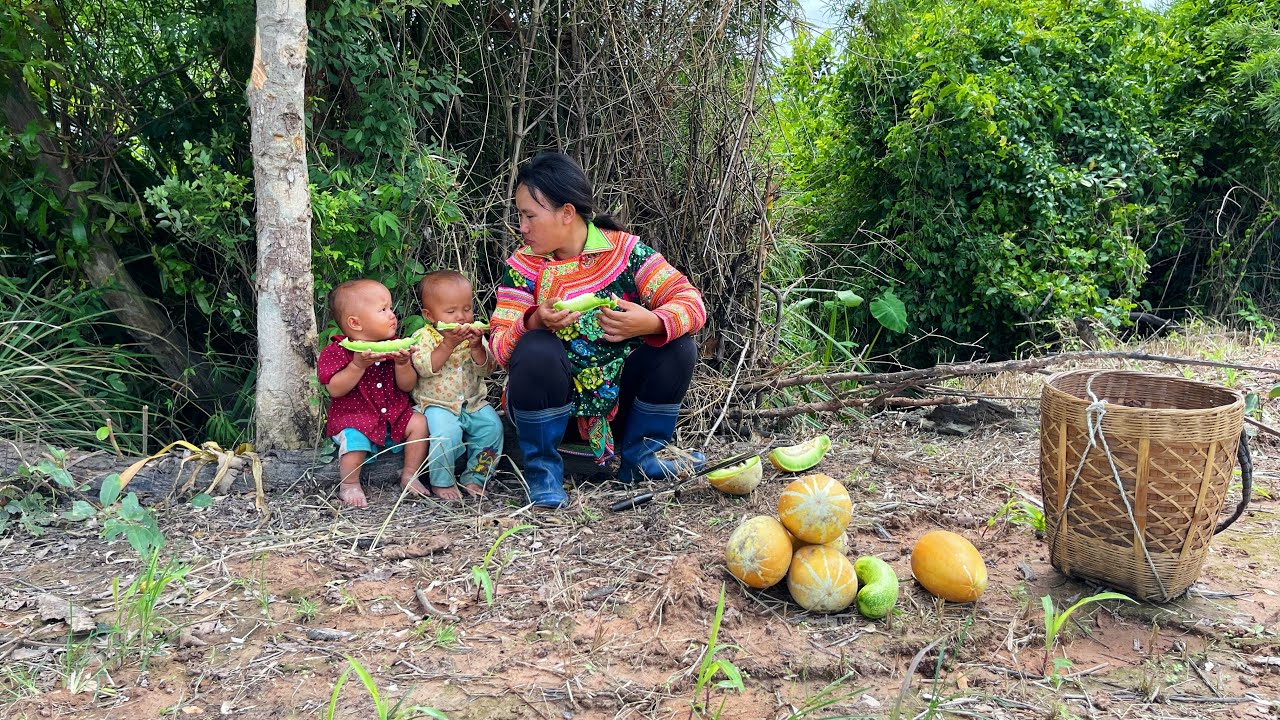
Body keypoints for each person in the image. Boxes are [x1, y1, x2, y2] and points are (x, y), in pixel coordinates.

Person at [489, 152, 707, 508]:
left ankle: (642, 458)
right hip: (553, 415)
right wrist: (532, 321)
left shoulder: (626, 252)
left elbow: (691, 303)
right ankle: (543, 471)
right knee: (536, 347)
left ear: (567, 213)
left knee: (678, 345)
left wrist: (652, 322)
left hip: (617, 412)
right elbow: (498, 347)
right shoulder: (522, 266)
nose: (522, 227)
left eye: (529, 215)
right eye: (520, 216)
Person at [317, 279, 430, 507]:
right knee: (354, 440)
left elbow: (407, 386)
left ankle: (409, 474)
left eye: (390, 308)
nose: (392, 315)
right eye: (383, 310)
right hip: (354, 418)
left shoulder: (396, 346)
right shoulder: (338, 351)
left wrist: (402, 364)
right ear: (355, 323)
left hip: (394, 416)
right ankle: (349, 484)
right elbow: (335, 389)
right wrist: (357, 366)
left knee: (419, 423)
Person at [409, 270, 504, 501]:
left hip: (472, 403)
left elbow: (488, 368)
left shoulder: (474, 337)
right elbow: (424, 367)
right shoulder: (423, 337)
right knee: (446, 435)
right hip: (436, 405)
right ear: (429, 315)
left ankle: (475, 477)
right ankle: (442, 481)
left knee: (493, 428)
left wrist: (477, 348)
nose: (461, 317)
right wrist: (448, 345)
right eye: (451, 311)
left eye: (467, 309)